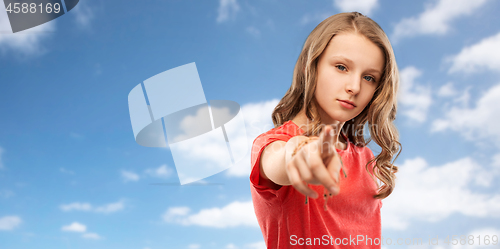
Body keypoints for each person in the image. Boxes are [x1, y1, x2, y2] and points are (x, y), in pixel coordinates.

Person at [249, 12, 402, 248]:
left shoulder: (367, 159)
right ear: (310, 66)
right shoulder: (273, 143)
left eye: (369, 77)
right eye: (341, 67)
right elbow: (278, 162)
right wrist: (298, 154)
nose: (354, 87)